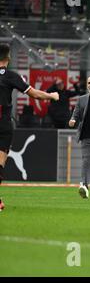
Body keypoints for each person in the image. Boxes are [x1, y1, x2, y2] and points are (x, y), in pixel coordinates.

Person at [0, 43, 59, 211]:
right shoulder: (11, 76)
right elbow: (34, 94)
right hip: (3, 124)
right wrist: (52, 95)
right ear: (8, 57)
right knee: (0, 163)